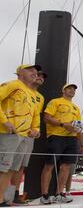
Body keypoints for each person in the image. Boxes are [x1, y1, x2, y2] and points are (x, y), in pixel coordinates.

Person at [0, 64, 41, 207]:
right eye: (30, 70)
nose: (35, 73)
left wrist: (36, 129)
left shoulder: (31, 94)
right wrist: (4, 121)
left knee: (11, 169)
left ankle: (3, 199)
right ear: (20, 72)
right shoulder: (12, 85)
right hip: (9, 134)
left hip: (24, 136)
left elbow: (35, 115)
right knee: (3, 167)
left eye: (36, 71)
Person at [40, 84, 82, 204]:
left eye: (74, 89)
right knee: (49, 165)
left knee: (66, 167)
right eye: (69, 88)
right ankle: (44, 195)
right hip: (56, 136)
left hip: (72, 139)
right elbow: (46, 118)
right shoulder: (55, 102)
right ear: (63, 90)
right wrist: (63, 124)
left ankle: (59, 193)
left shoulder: (76, 108)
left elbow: (78, 126)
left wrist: (80, 142)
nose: (72, 90)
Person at [10, 71, 47, 205]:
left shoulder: (40, 97)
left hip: (28, 135)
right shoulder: (16, 88)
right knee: (5, 164)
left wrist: (36, 130)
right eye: (38, 74)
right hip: (12, 132)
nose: (40, 77)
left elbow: (36, 116)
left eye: (42, 77)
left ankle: (13, 194)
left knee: (21, 165)